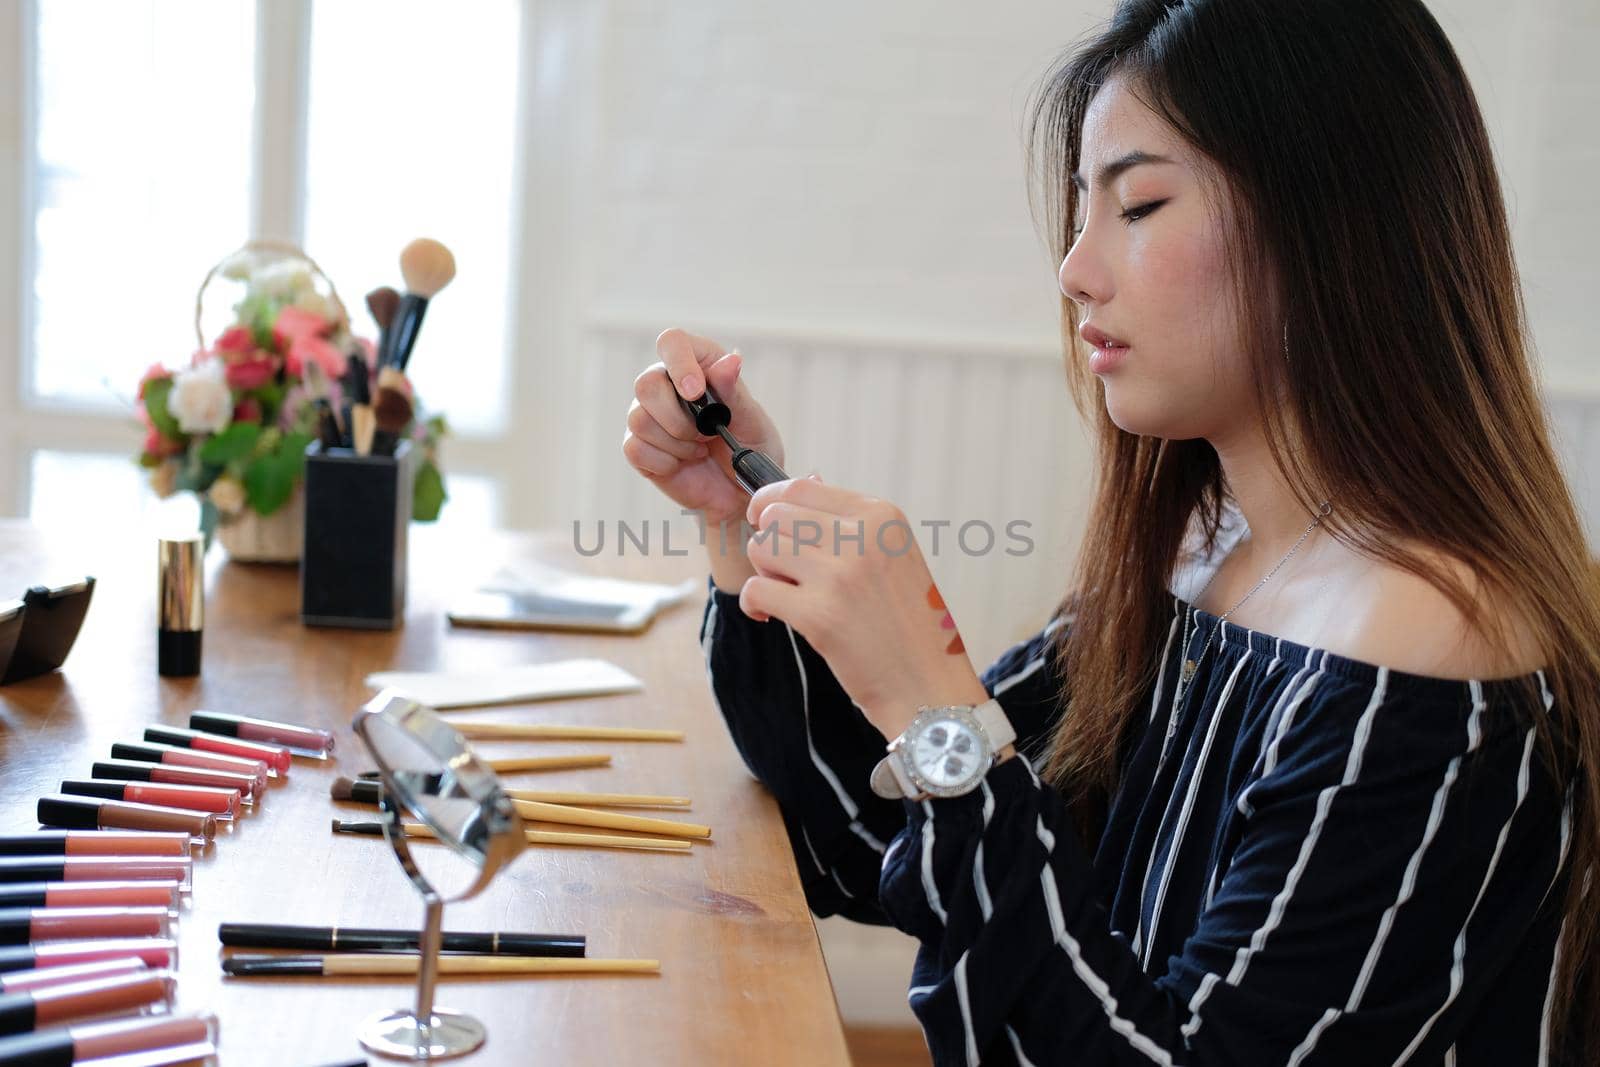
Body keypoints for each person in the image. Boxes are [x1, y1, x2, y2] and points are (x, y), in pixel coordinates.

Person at [621, 0, 1597, 1062]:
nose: (1075, 268)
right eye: (1083, 211)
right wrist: (740, 526)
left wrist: (937, 704)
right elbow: (880, 840)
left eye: (1136, 203)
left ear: (1330, 220)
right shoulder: (1202, 557)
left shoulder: (1424, 649)